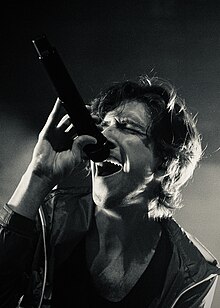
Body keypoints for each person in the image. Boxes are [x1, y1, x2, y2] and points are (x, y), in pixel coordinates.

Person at [0, 76, 219, 308]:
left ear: (165, 163)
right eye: (103, 126)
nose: (102, 137)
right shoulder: (49, 219)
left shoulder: (192, 274)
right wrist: (38, 176)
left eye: (126, 127)